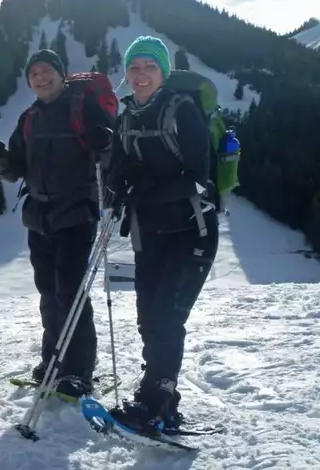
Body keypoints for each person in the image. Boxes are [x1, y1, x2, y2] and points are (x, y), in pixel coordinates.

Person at [0, 49, 115, 398]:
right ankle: (53, 359)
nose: (41, 77)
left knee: (70, 293)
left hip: (76, 213)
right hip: (39, 217)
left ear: (61, 74)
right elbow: (16, 170)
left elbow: (109, 151)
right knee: (48, 292)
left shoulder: (83, 108)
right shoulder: (30, 118)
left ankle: (78, 371)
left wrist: (105, 144)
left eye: (47, 71)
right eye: (34, 73)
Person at [106, 35, 219, 432]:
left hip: (193, 232)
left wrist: (146, 190)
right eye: (134, 67)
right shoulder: (127, 116)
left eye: (150, 67)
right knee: (147, 319)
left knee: (167, 318)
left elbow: (200, 178)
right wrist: (118, 185)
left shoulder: (182, 110)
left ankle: (159, 404)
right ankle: (156, 393)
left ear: (163, 72)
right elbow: (118, 168)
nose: (140, 74)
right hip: (150, 232)